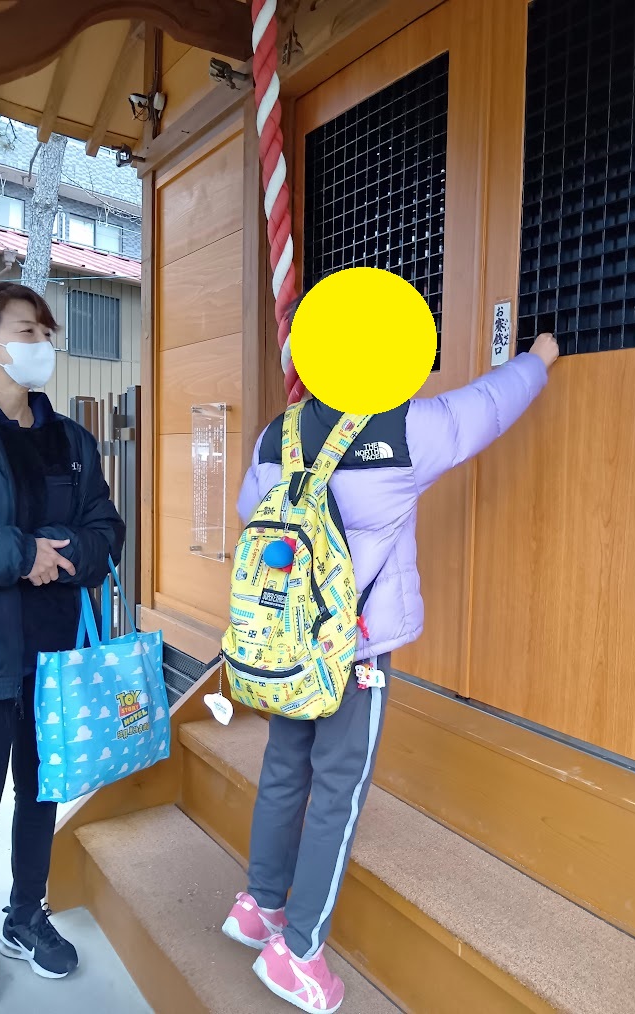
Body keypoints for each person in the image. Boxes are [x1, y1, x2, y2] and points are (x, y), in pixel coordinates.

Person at [222, 290, 559, 1014]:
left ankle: (260, 906)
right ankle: (299, 953)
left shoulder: (277, 435)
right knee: (337, 795)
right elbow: (487, 406)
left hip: (286, 646)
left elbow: (253, 514)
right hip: (356, 650)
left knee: (284, 768)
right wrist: (538, 358)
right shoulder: (408, 429)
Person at [0, 282, 125, 992]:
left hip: (54, 656)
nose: (41, 344)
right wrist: (23, 555)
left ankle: (25, 914)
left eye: (47, 333)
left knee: (40, 792)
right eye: (26, 331)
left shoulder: (72, 439)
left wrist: (64, 550)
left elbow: (107, 527)